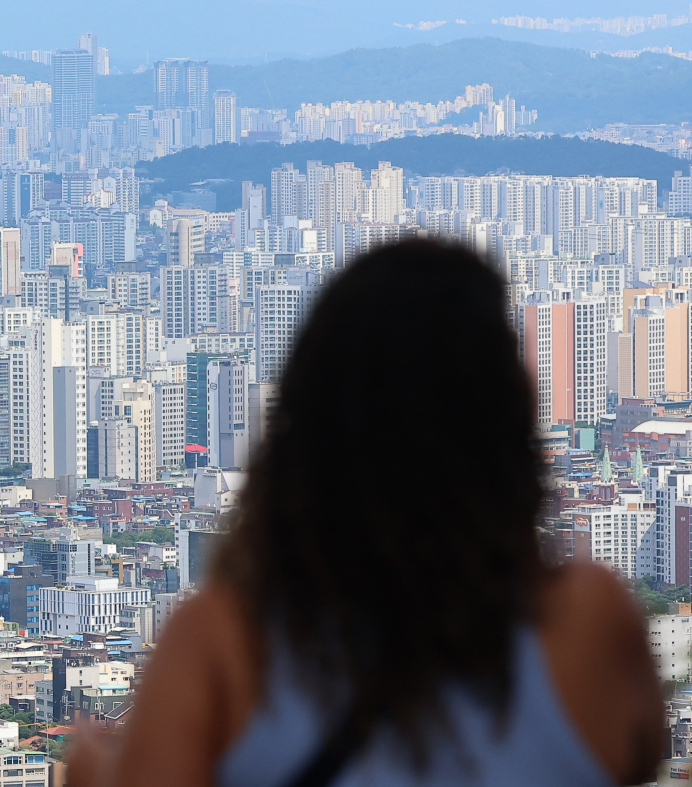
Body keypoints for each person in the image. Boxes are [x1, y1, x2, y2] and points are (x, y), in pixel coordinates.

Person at [69, 241, 663, 787]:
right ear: (508, 422)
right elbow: (637, 753)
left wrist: (95, 769)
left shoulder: (222, 645)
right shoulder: (588, 621)